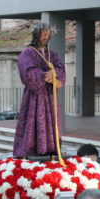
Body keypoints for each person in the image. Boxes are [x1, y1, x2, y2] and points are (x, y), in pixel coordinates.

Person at [13, 23, 66, 157]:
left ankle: (52, 149)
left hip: (50, 96)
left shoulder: (52, 55)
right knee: (33, 122)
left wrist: (55, 75)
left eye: (48, 34)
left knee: (52, 122)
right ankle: (32, 150)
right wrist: (45, 76)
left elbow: (60, 68)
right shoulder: (28, 53)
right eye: (43, 33)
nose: (46, 36)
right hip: (34, 97)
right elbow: (27, 70)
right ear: (36, 34)